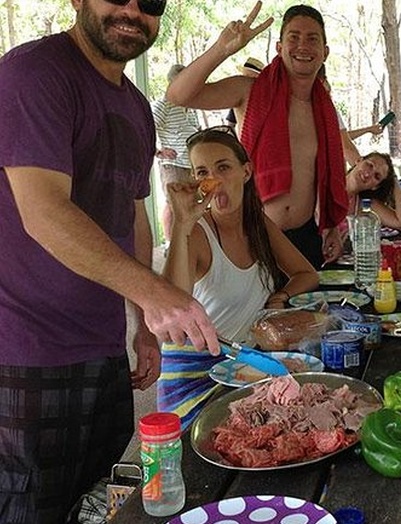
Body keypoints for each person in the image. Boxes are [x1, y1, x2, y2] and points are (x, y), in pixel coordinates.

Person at [0, 0, 219, 521]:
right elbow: (44, 213)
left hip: (100, 347)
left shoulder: (137, 107)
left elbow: (133, 219)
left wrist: (142, 322)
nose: (132, 11)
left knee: (93, 498)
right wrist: (156, 294)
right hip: (26, 350)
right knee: (28, 504)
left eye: (150, 2)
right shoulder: (34, 73)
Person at [159, 126, 318, 429]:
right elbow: (172, 315)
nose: (214, 180)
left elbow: (306, 274)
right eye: (202, 171)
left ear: (246, 172)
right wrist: (181, 224)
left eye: (223, 167)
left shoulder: (258, 225)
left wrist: (279, 297)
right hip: (192, 377)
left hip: (243, 368)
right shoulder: (196, 233)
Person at [167, 3, 348, 269]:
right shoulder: (250, 91)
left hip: (305, 235)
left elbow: (322, 173)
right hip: (251, 234)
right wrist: (222, 48)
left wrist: (331, 226)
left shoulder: (325, 109)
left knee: (306, 310)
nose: (303, 46)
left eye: (312, 39)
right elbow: (177, 95)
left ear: (325, 52)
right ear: (279, 47)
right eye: (293, 38)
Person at [153, 63, 201, 238]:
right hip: (173, 164)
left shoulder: (191, 104)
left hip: (191, 165)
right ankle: (169, 243)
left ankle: (188, 242)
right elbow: (146, 128)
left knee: (191, 203)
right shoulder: (164, 104)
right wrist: (158, 151)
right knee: (173, 204)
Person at [345, 152, 401, 232]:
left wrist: (394, 178)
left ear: (375, 186)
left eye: (377, 176)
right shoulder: (329, 181)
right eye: (369, 165)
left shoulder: (362, 204)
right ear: (359, 160)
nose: (367, 174)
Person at [224, 56, 264, 131]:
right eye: (244, 77)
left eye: (249, 78)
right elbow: (230, 125)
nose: (245, 81)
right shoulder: (239, 99)